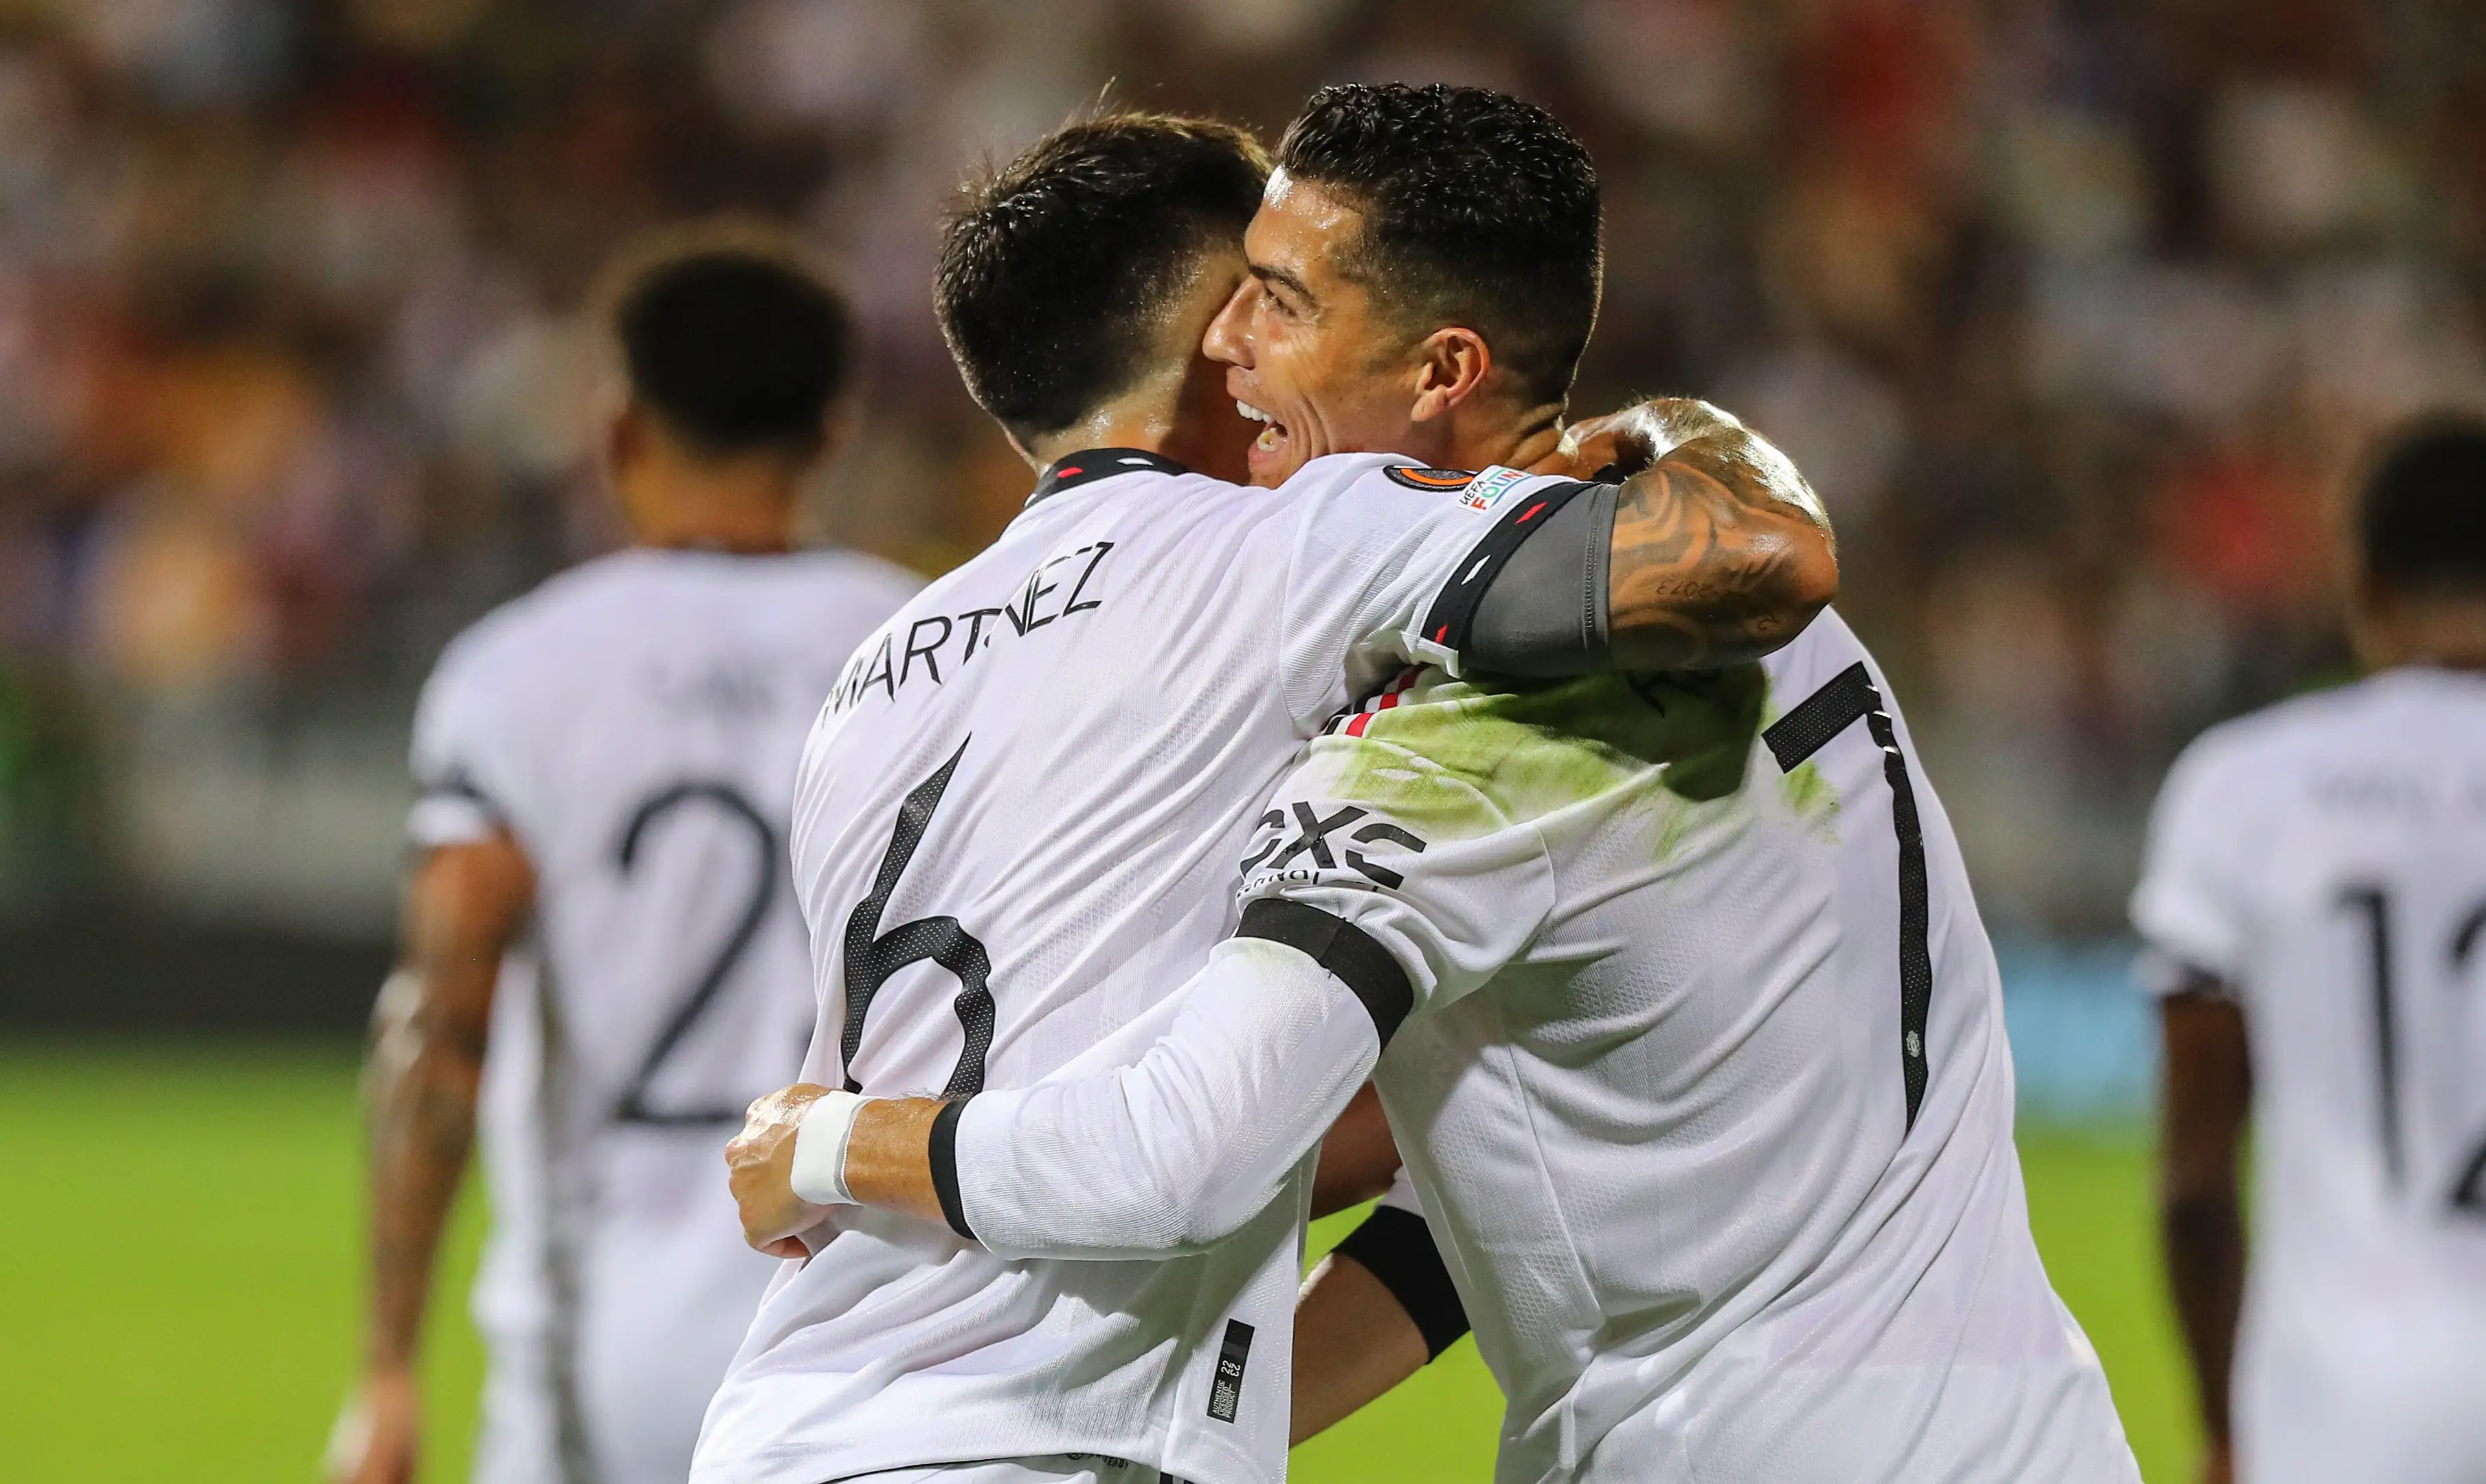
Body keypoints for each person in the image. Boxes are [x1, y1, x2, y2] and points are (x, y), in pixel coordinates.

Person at [753, 84, 2141, 1484]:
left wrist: (826, 1142)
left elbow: (1175, 1151)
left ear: (1440, 371)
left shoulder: (1463, 741)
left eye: (1279, 303)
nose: (1227, 342)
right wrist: (1227, 1422)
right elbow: (1489, 1197)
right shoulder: (1744, 612)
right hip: (2033, 1432)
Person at [330, 232, 924, 1484]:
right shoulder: (938, 647)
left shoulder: (519, 673)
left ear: (618, 431)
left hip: (604, 1333)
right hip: (876, 1307)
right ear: (832, 431)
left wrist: (387, 1365)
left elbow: (442, 1021)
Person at [2135, 419, 2486, 1484]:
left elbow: (2194, 1180)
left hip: (2358, 1405)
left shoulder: (2248, 788)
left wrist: (2227, 1424)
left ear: (2361, 585)